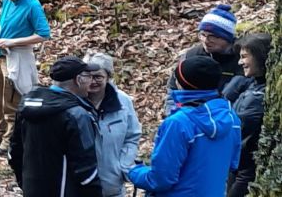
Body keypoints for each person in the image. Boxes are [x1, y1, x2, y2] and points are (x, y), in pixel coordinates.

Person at [127, 53, 242, 196]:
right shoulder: (232, 118)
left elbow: (160, 180)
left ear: (183, 84)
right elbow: (233, 163)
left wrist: (134, 171)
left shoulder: (178, 123)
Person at [10, 56, 103, 197]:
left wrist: (25, 184)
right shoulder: (76, 115)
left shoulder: (26, 107)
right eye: (88, 76)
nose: (91, 81)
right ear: (78, 80)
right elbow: (86, 169)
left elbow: (14, 153)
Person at [0, 0, 52, 150]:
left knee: (11, 100)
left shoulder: (32, 5)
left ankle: (9, 142)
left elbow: (43, 35)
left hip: (16, 56)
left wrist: (13, 42)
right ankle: (0, 131)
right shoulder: (8, 0)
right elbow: (6, 24)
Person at [80, 52, 141, 197]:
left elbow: (132, 136)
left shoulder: (123, 102)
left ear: (109, 77)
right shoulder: (73, 102)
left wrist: (123, 166)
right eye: (87, 76)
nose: (92, 81)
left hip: (113, 186)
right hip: (79, 187)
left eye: (98, 77)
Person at [225, 33, 268, 197]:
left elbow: (241, 129)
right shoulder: (251, 84)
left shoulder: (259, 96)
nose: (239, 62)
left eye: (244, 57)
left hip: (247, 170)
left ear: (260, 56)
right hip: (237, 165)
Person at [184, 4, 242, 94]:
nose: (206, 41)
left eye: (213, 36)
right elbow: (173, 88)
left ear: (227, 38)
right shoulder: (192, 55)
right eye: (203, 35)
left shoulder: (243, 58)